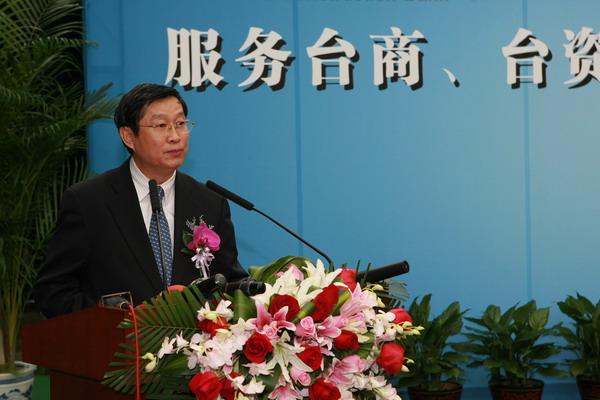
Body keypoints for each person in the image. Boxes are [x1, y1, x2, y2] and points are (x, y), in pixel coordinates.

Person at [32, 83, 247, 318]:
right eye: (161, 125)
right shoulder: (89, 201)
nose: (175, 137)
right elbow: (53, 290)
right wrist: (118, 322)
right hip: (118, 339)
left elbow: (229, 283)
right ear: (128, 136)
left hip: (191, 340)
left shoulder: (210, 202)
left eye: (180, 123)